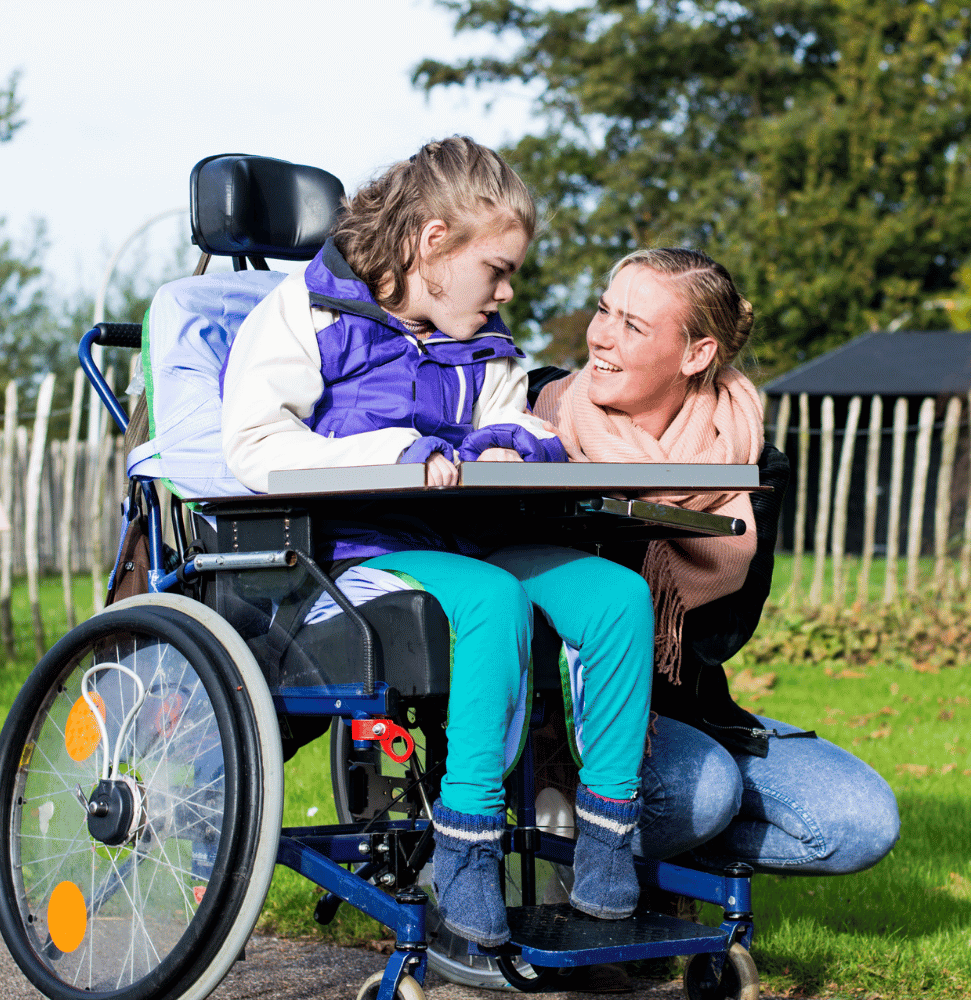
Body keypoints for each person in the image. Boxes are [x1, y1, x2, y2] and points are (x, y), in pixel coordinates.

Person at [219, 137, 655, 947]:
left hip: (473, 538)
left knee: (617, 599)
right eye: (497, 269)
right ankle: (465, 853)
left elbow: (512, 416)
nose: (506, 289)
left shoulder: (481, 336)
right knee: (487, 600)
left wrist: (515, 444)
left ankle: (604, 846)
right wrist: (400, 452)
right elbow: (252, 448)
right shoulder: (308, 316)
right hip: (351, 555)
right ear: (432, 243)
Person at [535, 247, 900, 887]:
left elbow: (716, 636)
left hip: (678, 708)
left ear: (696, 355)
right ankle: (569, 846)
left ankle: (627, 857)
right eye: (603, 310)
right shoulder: (540, 419)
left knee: (858, 822)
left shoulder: (748, 461)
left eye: (633, 325)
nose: (601, 336)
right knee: (703, 792)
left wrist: (652, 508)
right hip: (553, 714)